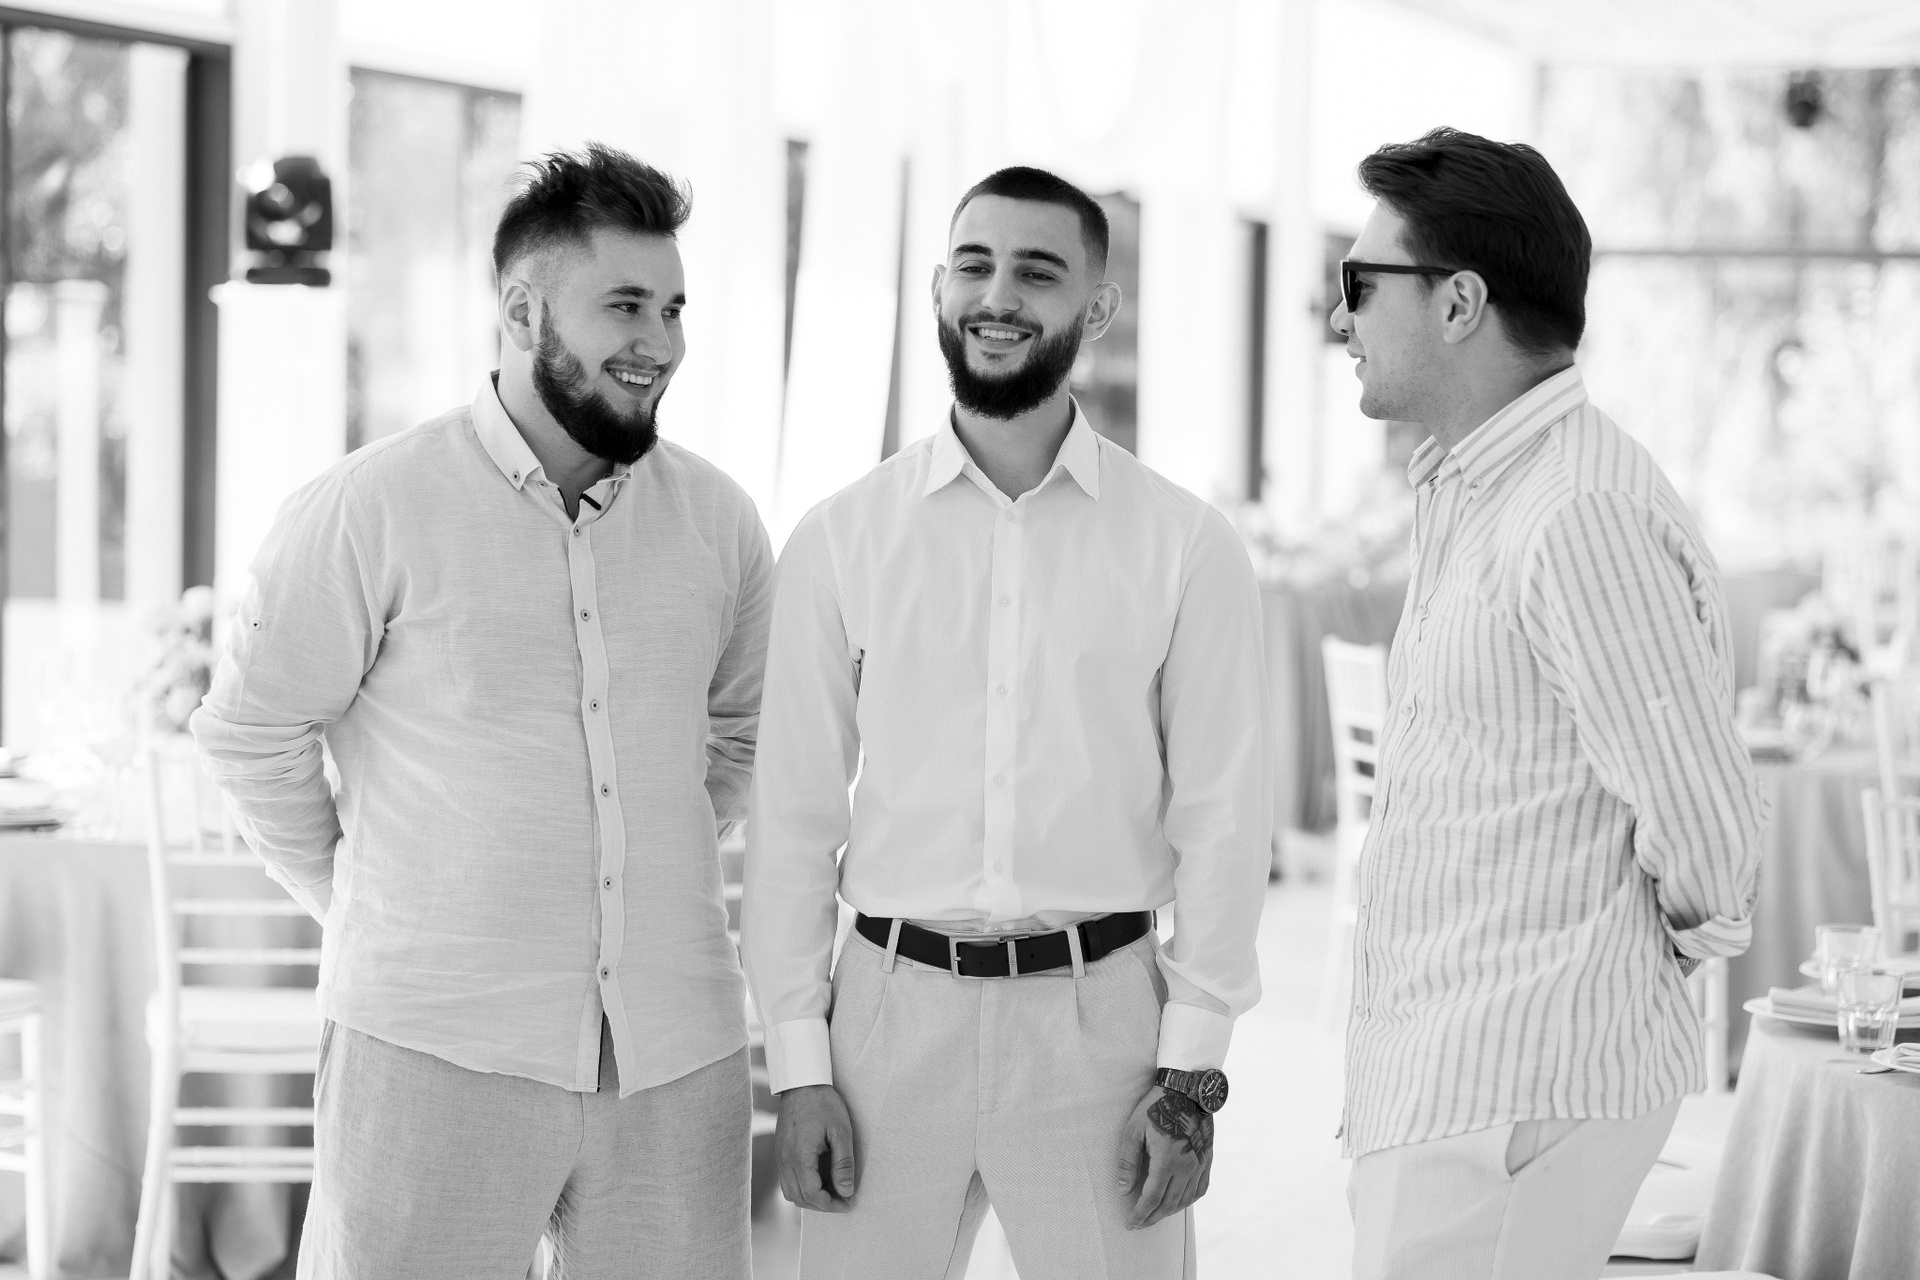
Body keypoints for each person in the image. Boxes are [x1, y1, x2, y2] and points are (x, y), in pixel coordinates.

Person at [193, 144, 771, 1279]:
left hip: (674, 1054)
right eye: (624, 305)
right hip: (430, 1045)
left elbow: (746, 733)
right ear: (520, 311)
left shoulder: (721, 521)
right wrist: (368, 897)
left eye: (672, 309)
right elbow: (250, 730)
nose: (660, 342)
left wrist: (645, 853)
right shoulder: (371, 505)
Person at [741, 166, 1272, 1280]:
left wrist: (1188, 1074)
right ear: (939, 286)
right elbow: (792, 817)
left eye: (1038, 272)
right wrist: (798, 1063)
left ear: (1098, 306)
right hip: (885, 1022)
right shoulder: (841, 537)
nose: (998, 296)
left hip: (1102, 1027)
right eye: (975, 266)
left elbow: (1225, 824)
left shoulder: (1185, 544)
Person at [1329, 127, 1766, 1280]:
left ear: (1459, 301)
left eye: (1360, 283)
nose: (1340, 317)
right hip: (1457, 1078)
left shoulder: (1576, 510)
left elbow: (1710, 832)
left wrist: (1609, 976)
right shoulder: (1484, 486)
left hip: (1515, 1086)